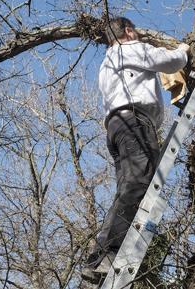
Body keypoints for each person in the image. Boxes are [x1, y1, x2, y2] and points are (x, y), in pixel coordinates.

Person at [81, 17, 189, 283]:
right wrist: (184, 52)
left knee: (127, 188)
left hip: (117, 128)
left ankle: (101, 256)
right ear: (128, 31)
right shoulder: (128, 48)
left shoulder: (108, 62)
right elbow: (169, 62)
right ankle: (108, 253)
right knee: (140, 183)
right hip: (134, 122)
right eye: (136, 33)